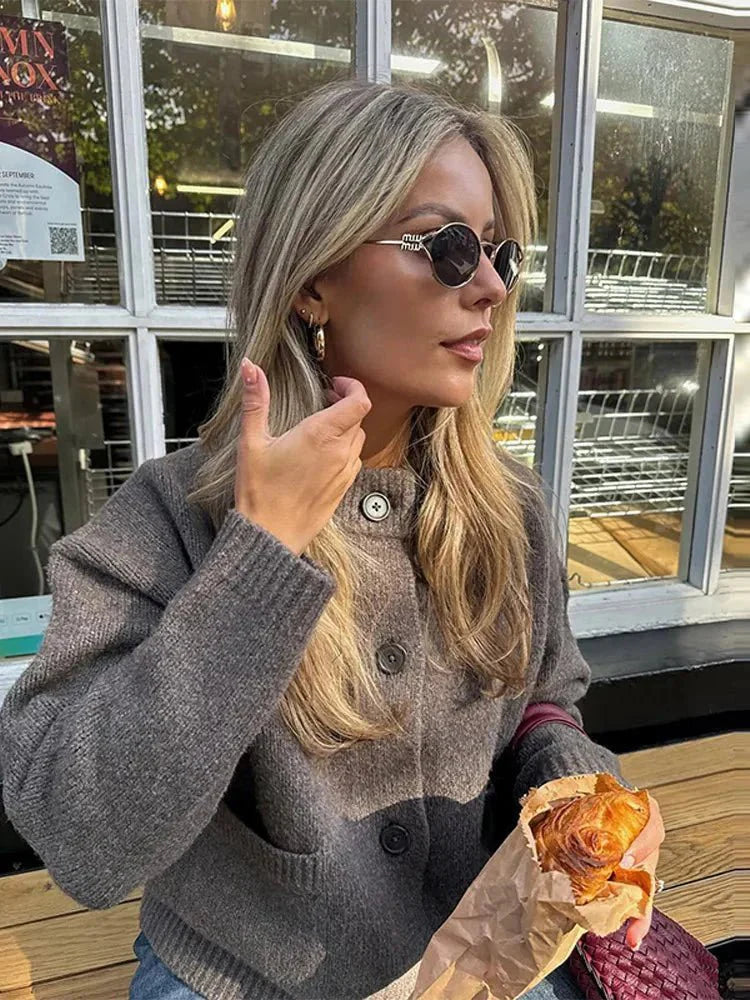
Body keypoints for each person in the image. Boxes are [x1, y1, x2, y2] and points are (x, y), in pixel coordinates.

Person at [0, 79, 664, 1000]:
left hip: (489, 957)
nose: (490, 287)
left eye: (501, 253)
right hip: (240, 977)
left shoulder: (505, 506)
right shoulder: (170, 517)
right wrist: (259, 561)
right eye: (449, 247)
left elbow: (545, 702)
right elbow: (83, 842)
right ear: (314, 278)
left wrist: (579, 799)